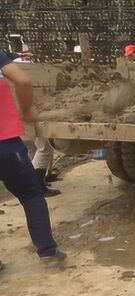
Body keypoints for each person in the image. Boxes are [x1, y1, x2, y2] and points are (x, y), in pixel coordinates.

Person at [0, 50, 66, 267]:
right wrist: (27, 111)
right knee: (31, 195)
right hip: (5, 143)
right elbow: (23, 80)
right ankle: (47, 250)